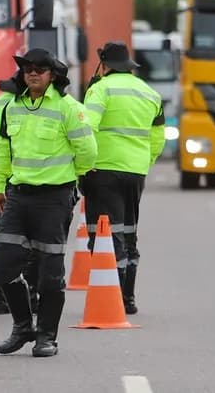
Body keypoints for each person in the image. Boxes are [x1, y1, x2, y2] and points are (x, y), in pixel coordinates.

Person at [0, 48, 96, 357]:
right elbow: (2, 150)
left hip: (54, 198)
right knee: (2, 263)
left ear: (53, 75)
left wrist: (68, 180)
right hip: (18, 196)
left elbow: (88, 151)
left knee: (50, 273)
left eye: (40, 68)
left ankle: (46, 336)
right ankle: (23, 326)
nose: (33, 73)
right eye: (27, 68)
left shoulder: (68, 107)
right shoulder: (12, 107)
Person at [79, 41, 165, 315]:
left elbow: (86, 128)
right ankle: (128, 297)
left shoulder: (99, 89)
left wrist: (84, 165)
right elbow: (157, 137)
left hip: (102, 170)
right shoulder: (150, 93)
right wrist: (144, 162)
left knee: (104, 234)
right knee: (128, 231)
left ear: (105, 65)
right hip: (135, 172)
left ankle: (112, 295)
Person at [0, 72, 38, 315]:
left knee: (3, 241)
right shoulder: (33, 107)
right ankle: (31, 296)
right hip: (31, 183)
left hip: (0, 180)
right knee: (34, 243)